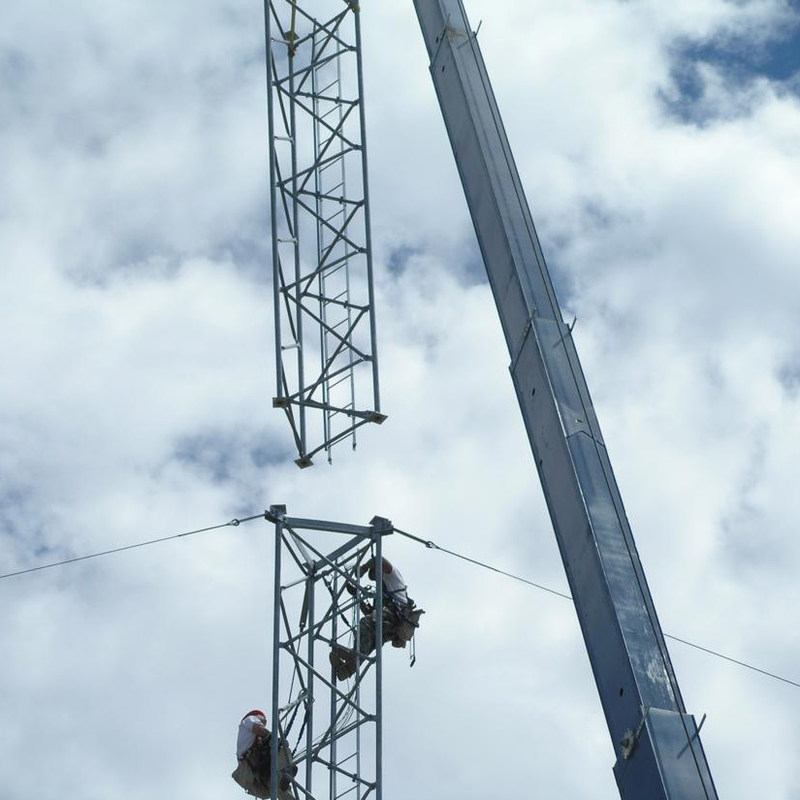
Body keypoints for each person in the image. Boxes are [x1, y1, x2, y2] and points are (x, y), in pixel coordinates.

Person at [329, 556, 423, 681]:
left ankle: (353, 659)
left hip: (395, 616)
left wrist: (363, 568)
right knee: (371, 640)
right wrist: (356, 596)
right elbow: (370, 613)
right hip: (390, 624)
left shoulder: (392, 576)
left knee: (365, 624)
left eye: (373, 573)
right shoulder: (380, 591)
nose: (373, 578)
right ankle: (348, 669)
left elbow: (378, 558)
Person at [231, 709, 296, 797]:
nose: (264, 722)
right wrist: (276, 740)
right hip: (251, 765)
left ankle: (283, 777)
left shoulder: (249, 738)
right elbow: (260, 730)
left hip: (253, 775)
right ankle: (285, 771)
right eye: (263, 719)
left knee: (280, 787)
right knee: (281, 747)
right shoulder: (249, 719)